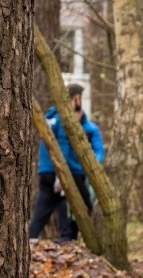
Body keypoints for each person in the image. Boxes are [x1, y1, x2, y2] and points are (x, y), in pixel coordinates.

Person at [29, 83, 104, 243]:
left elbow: (98, 151)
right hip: (67, 173)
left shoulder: (53, 118)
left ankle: (35, 238)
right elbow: (61, 146)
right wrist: (60, 175)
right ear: (76, 98)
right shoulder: (63, 120)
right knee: (84, 205)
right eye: (79, 98)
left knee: (44, 211)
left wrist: (93, 165)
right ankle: (68, 239)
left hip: (48, 171)